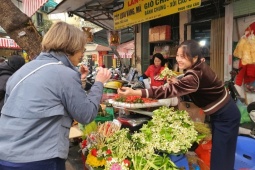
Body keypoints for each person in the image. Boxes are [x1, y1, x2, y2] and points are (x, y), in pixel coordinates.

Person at [0, 22, 111, 169]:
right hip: (39, 159)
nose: (83, 53)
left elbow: (49, 97)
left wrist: (79, 81)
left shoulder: (23, 71)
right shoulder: (64, 74)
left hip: (6, 155)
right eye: (81, 48)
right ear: (70, 47)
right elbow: (86, 115)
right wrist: (99, 83)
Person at [118, 40, 241, 170]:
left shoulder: (195, 75)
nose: (178, 59)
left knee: (221, 156)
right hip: (223, 113)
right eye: (177, 55)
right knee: (222, 153)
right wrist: (178, 82)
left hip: (225, 115)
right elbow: (194, 87)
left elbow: (166, 91)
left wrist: (135, 92)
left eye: (183, 56)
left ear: (194, 57)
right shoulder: (197, 67)